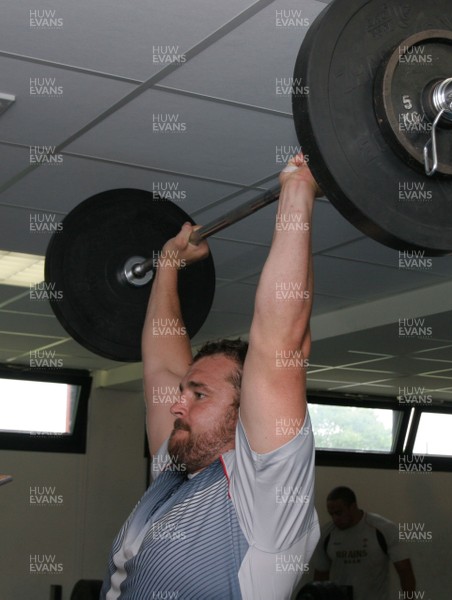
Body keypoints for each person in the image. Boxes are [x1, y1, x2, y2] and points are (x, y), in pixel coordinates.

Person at [100, 154, 321, 600]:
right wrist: (168, 266)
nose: (177, 403)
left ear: (248, 411)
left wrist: (299, 190)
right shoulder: (178, 466)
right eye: (186, 392)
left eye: (198, 394)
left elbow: (280, 347)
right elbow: (162, 367)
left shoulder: (266, 497)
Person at [313, 486, 416, 600]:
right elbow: (320, 577)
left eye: (339, 513)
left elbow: (405, 571)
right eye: (331, 514)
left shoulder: (384, 529)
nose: (335, 518)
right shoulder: (325, 534)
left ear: (353, 507)